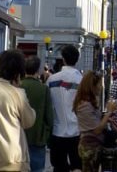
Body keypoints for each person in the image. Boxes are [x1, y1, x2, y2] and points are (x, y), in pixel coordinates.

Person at [73, 71, 117, 172]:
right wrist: (109, 112)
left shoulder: (89, 103)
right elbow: (97, 130)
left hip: (94, 146)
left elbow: (95, 120)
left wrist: (106, 117)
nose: (101, 87)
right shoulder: (85, 106)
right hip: (89, 147)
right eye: (99, 84)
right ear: (92, 86)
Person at [48, 44, 83, 172]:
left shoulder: (51, 80)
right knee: (77, 165)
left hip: (57, 130)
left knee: (59, 166)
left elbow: (49, 104)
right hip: (77, 131)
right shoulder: (82, 81)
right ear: (77, 60)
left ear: (63, 59)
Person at [22, 56, 53, 172]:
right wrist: (47, 134)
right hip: (38, 137)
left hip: (19, 137)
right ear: (38, 70)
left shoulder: (18, 87)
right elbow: (49, 116)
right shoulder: (43, 89)